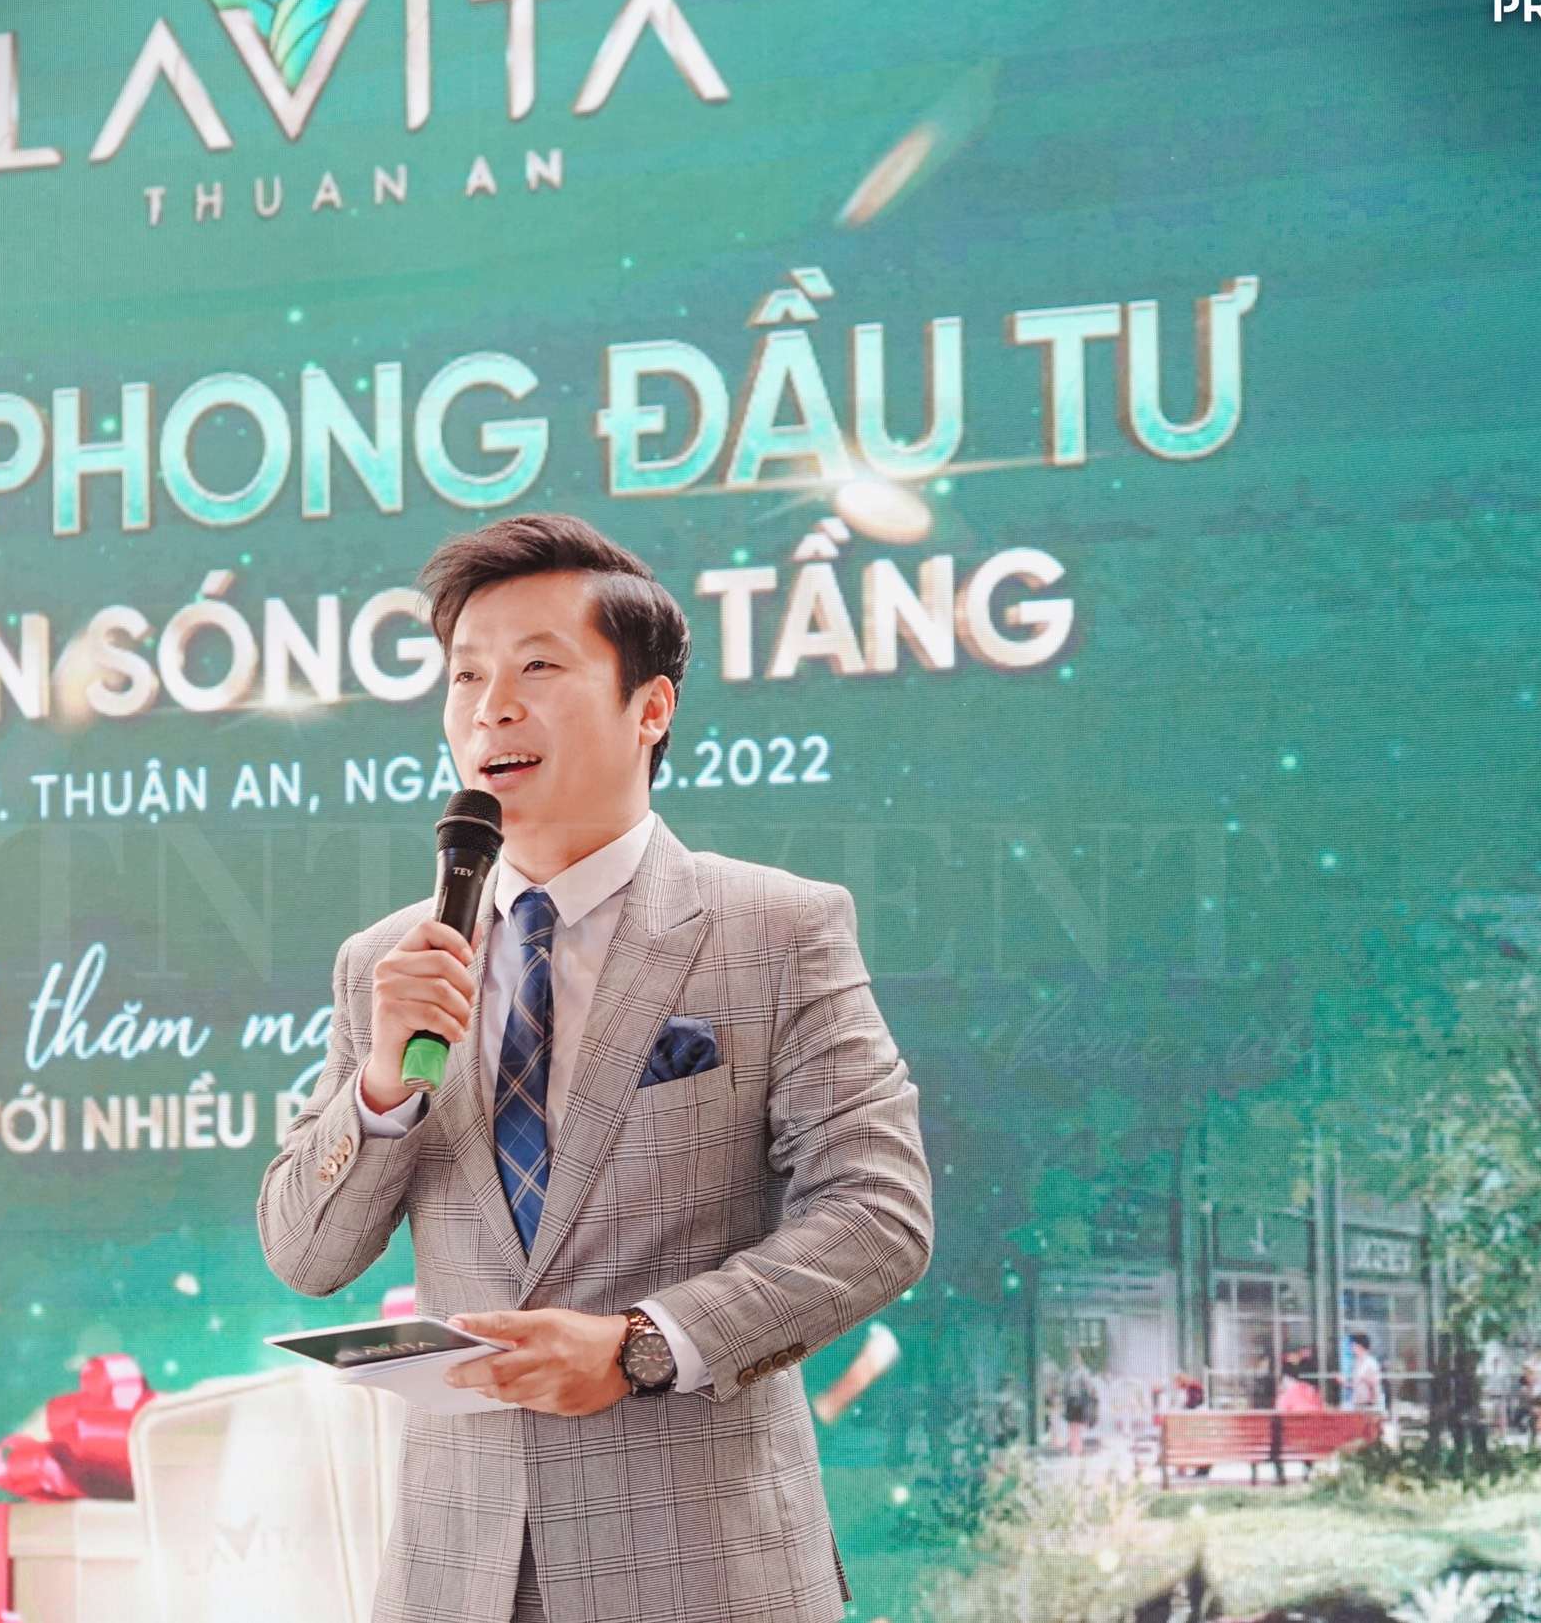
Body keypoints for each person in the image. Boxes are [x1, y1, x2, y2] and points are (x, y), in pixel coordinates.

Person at [257, 514, 935, 1623]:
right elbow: (305, 1252)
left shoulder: (777, 930)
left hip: (703, 1570)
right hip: (453, 1577)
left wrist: (639, 1347)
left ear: (650, 708)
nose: (492, 707)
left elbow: (877, 1215)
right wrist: (378, 1087)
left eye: (538, 667)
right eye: (466, 675)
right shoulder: (388, 961)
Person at [1061, 1351, 1099, 1458]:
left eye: (1077, 1358)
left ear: (1080, 1359)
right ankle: (1074, 1448)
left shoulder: (1083, 1371)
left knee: (1077, 1426)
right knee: (1071, 1426)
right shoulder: (1068, 1372)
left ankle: (1077, 1449)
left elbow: (1089, 1387)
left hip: (1079, 1401)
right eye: (1073, 1358)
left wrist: (1091, 1399)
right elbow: (1064, 1387)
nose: (1075, 1360)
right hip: (1070, 1401)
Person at [1346, 1333, 1385, 1412]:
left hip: (1370, 1406)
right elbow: (1357, 1384)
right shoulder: (1356, 1362)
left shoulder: (1370, 1363)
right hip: (1359, 1404)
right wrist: (1344, 1383)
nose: (1351, 1347)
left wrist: (1372, 1401)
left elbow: (1374, 1384)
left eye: (1353, 1345)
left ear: (1359, 1346)